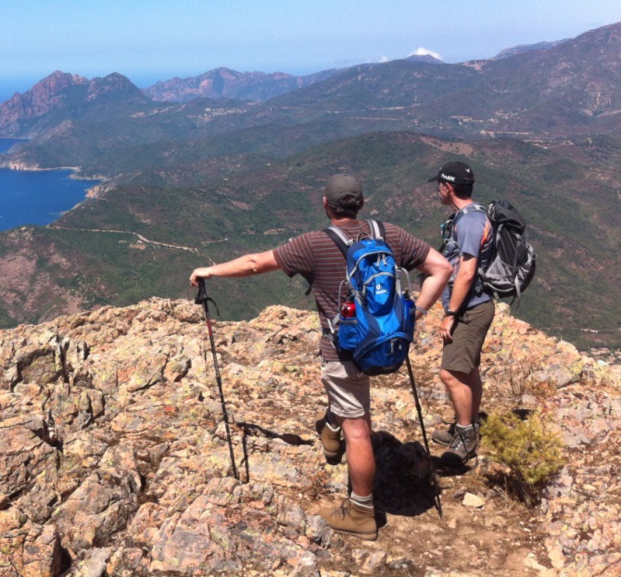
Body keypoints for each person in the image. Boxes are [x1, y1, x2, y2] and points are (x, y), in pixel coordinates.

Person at [189, 174, 451, 541]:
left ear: (326, 205)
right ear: (361, 204)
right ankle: (330, 429)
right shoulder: (387, 233)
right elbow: (443, 268)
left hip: (343, 352)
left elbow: (253, 263)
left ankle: (361, 511)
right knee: (348, 408)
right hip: (387, 343)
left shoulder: (314, 244)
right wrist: (414, 315)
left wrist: (208, 270)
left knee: (358, 428)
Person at [428, 161, 496, 465]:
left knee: (451, 373)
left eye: (439, 185)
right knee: (468, 371)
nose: (437, 190)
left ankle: (466, 438)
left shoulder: (468, 223)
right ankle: (465, 425)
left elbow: (466, 273)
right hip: (475, 306)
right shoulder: (470, 216)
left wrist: (451, 313)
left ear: (448, 187)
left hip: (469, 308)